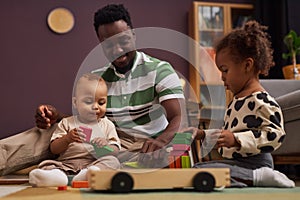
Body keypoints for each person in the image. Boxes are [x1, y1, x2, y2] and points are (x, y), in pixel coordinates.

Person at [34, 4, 186, 168]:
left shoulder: (160, 70)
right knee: (40, 136)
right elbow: (85, 121)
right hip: (108, 144)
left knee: (169, 151)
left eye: (123, 40)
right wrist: (57, 118)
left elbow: (179, 117)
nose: (118, 49)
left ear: (133, 36)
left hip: (147, 144)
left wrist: (160, 141)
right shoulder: (97, 79)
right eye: (108, 44)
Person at [183, 20, 295, 187]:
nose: (222, 77)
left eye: (225, 70)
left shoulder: (261, 100)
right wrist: (202, 134)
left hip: (255, 162)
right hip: (238, 164)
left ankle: (259, 176)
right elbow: (227, 134)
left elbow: (275, 134)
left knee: (206, 172)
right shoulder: (237, 101)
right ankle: (247, 181)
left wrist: (236, 139)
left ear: (247, 65)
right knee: (198, 169)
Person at [29, 73, 121, 187]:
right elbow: (54, 149)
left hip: (93, 164)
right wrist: (67, 139)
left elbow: (115, 151)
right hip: (66, 165)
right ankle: (57, 178)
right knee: (46, 165)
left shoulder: (107, 125)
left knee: (113, 162)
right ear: (75, 103)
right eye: (88, 102)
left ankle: (88, 175)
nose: (96, 107)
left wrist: (105, 146)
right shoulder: (67, 122)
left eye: (101, 103)